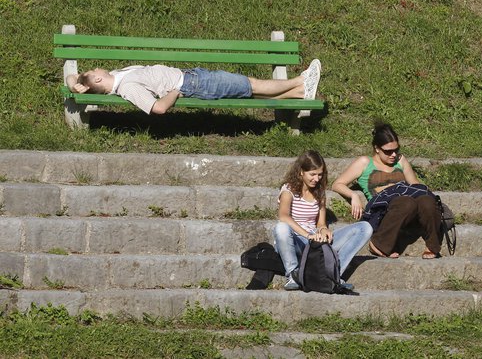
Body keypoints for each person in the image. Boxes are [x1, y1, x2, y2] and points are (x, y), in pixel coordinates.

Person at [332, 123, 443, 259]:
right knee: (406, 202)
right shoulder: (364, 162)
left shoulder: (400, 160)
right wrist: (353, 195)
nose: (393, 155)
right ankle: (379, 244)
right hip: (385, 208)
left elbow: (415, 186)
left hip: (408, 207)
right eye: (388, 151)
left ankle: (432, 245)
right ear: (377, 148)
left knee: (426, 201)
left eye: (396, 150)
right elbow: (337, 184)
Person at [65, 59, 321, 115]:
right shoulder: (127, 87)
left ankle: (300, 93)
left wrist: (75, 84)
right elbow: (158, 108)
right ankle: (300, 81)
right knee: (249, 84)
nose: (96, 68)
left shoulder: (118, 76)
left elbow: (73, 76)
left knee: (248, 88)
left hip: (194, 77)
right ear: (97, 80)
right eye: (93, 71)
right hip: (193, 84)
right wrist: (177, 90)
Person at [273, 150, 372, 291]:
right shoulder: (288, 190)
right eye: (312, 174)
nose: (316, 179)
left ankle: (333, 275)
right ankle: (293, 275)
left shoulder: (319, 192)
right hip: (296, 241)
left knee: (365, 227)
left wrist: (324, 229)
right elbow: (283, 216)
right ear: (301, 172)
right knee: (281, 228)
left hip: (314, 241)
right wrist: (307, 235)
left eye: (320, 174)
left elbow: (320, 222)